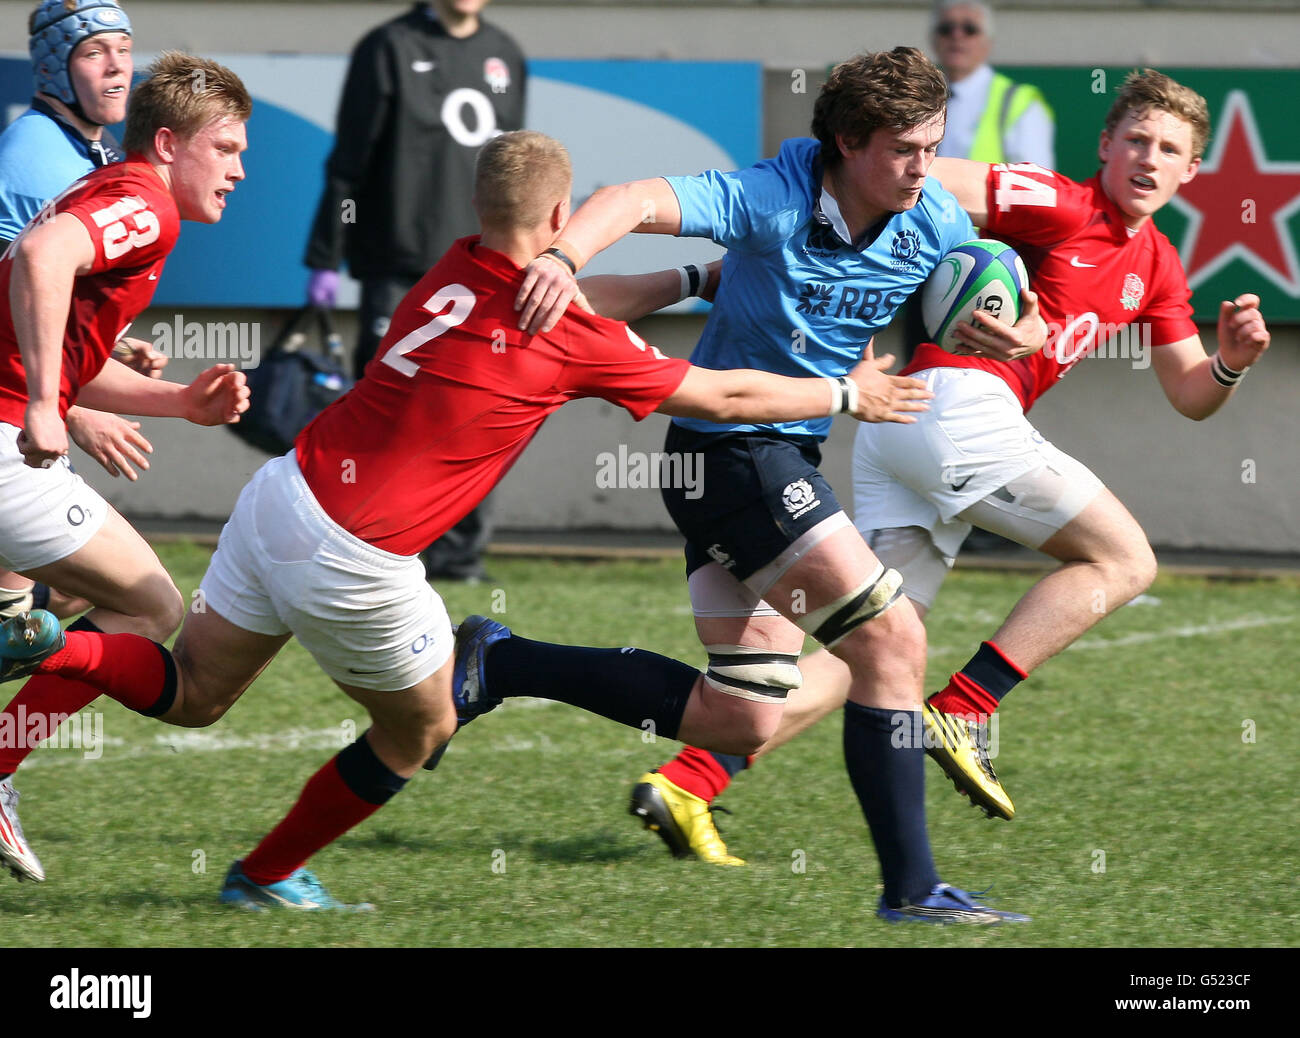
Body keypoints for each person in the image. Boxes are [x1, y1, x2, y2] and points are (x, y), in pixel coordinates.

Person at [0, 130, 934, 911]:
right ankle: (264, 876)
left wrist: (692, 273)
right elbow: (723, 394)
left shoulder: (459, 263)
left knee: (195, 692)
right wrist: (846, 392)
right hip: (356, 555)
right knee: (420, 731)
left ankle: (50, 643)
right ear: (564, 222)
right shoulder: (565, 333)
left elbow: (581, 299)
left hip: (283, 493)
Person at [630, 69, 1271, 862]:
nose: (1148, 156)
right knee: (1125, 559)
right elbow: (939, 181)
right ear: (1104, 147)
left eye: (1168, 148)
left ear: (1191, 172)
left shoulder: (1161, 263)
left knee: (870, 645)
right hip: (958, 406)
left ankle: (690, 779)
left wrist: (1231, 364)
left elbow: (1187, 392)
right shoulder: (1064, 202)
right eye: (1134, 139)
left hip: (908, 424)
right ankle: (968, 708)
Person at [511, 48, 1044, 923]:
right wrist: (563, 257)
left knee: (742, 715)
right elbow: (636, 199)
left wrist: (1012, 329)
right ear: (846, 141)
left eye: (932, 146)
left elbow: (1005, 299)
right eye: (904, 149)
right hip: (731, 454)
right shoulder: (771, 197)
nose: (922, 167)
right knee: (893, 643)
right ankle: (912, 891)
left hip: (778, 462)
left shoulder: (934, 219)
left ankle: (501, 659)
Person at [0, 51, 251, 883]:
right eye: (228, 150)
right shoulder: (146, 204)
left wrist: (181, 403)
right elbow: (40, 256)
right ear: (171, 143)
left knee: (69, 595)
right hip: (3, 435)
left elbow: (68, 348)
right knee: (148, 607)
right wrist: (43, 404)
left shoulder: (118, 193)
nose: (240, 171)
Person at [304, 0, 526, 583]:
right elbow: (349, 162)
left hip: (486, 270)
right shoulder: (388, 47)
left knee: (480, 407)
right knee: (389, 408)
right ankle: (368, 540)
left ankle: (461, 559)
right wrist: (325, 257)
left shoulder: (506, 52)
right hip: (399, 270)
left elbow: (518, 175)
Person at [0, 0, 165, 623]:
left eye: (123, 50)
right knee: (121, 598)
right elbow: (11, 295)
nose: (117, 68)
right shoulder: (34, 155)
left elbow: (45, 293)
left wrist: (114, 344)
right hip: (14, 412)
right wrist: (75, 409)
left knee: (62, 597)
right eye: (95, 54)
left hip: (24, 407)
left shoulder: (86, 149)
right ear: (53, 69)